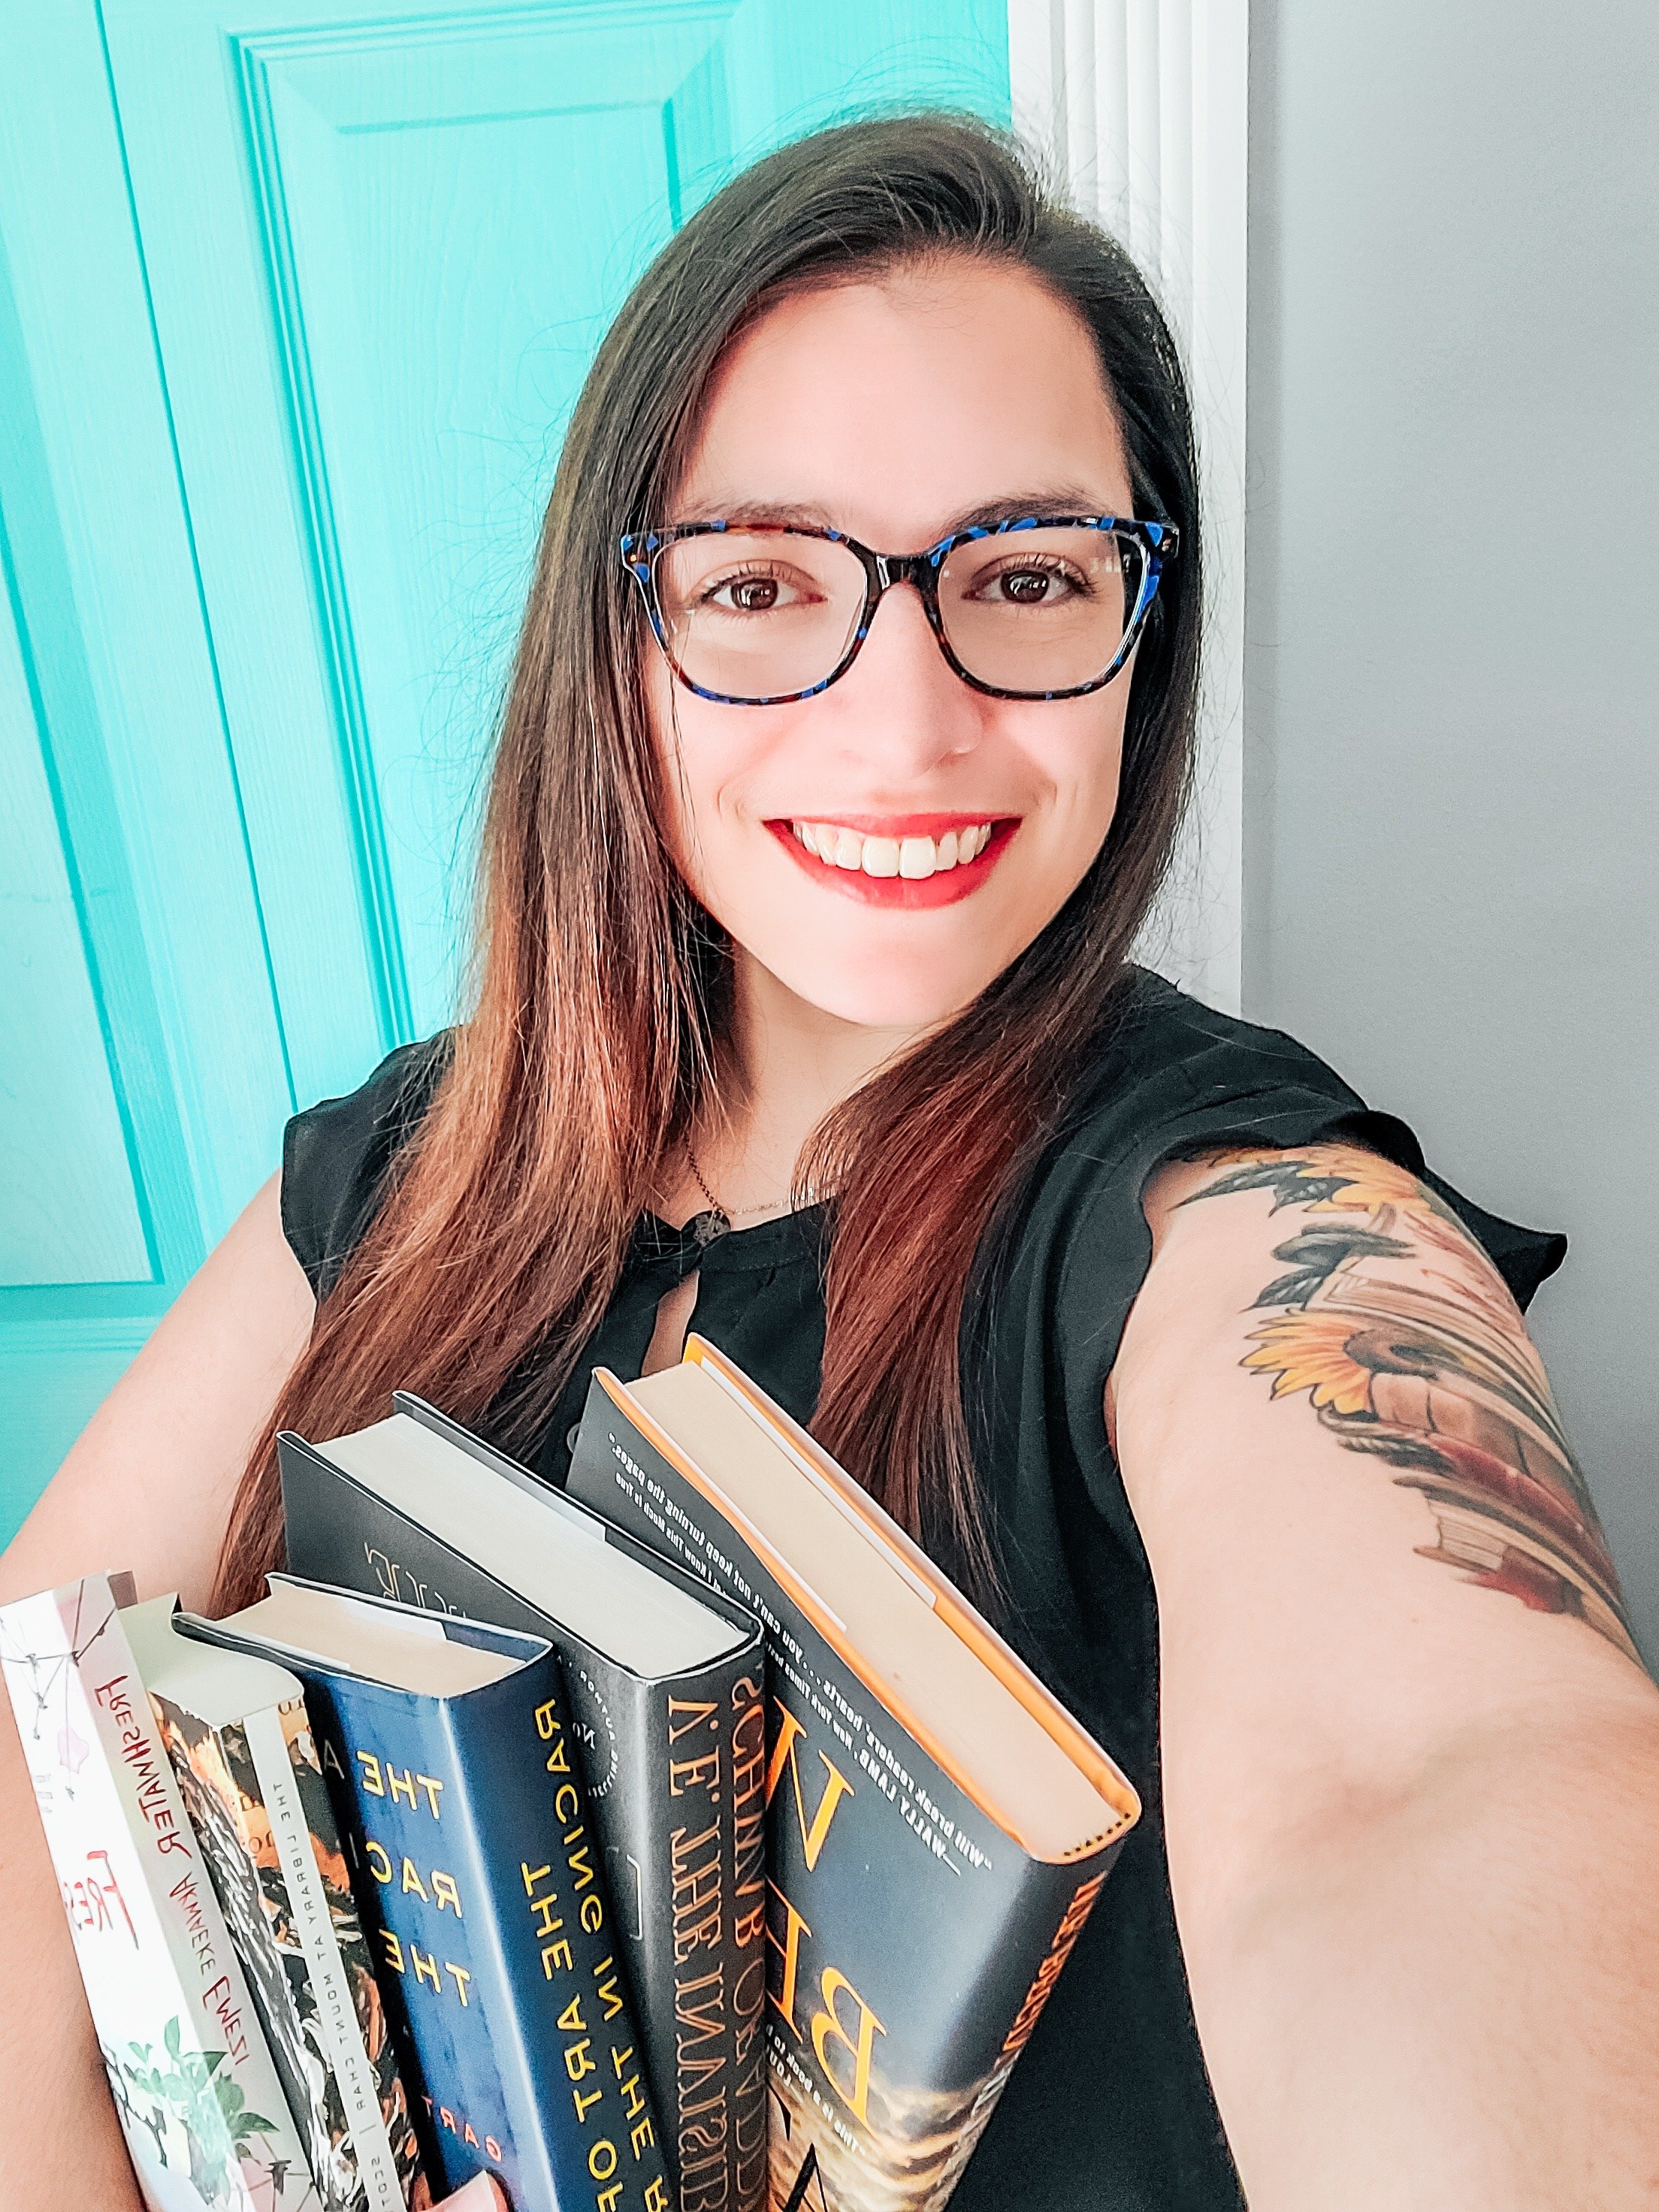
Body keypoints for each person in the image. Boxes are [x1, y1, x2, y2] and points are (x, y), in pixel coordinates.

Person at [2, 112, 1656, 2212]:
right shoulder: (410, 1164)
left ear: (1142, 638)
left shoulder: (1236, 1223)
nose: (905, 726)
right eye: (764, 585)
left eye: (1027, 578)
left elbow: (1428, 1776)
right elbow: (36, 1751)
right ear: (621, 642)